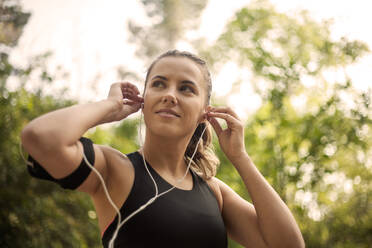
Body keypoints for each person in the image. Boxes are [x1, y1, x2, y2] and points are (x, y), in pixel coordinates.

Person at [21, 50, 305, 248]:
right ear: (144, 100)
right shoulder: (115, 170)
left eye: (186, 88)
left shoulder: (214, 192)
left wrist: (240, 158)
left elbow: (289, 245)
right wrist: (110, 107)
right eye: (159, 84)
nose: (170, 95)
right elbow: (41, 137)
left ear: (206, 112)